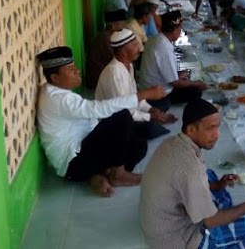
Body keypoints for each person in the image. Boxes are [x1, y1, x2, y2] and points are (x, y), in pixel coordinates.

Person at [140, 99, 245, 249]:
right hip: (175, 240)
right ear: (191, 130)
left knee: (208, 175)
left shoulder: (173, 142)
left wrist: (217, 185)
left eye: (218, 127)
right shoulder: (190, 167)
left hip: (158, 222)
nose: (217, 135)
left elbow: (187, 180)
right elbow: (209, 221)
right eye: (210, 128)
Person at [36, 46, 166, 197]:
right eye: (70, 69)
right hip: (72, 164)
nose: (77, 71)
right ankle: (116, 175)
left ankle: (98, 174)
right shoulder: (58, 99)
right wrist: (143, 94)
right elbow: (97, 109)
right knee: (122, 116)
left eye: (75, 67)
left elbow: (91, 122)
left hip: (81, 153)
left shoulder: (56, 92)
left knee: (138, 144)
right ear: (55, 78)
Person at [96, 29, 176, 139]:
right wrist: (150, 117)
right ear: (124, 51)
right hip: (113, 121)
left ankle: (154, 120)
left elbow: (134, 97)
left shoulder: (129, 66)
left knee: (163, 103)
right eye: (135, 45)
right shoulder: (114, 73)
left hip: (128, 112)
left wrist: (150, 110)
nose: (139, 48)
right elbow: (123, 111)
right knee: (147, 130)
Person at [139, 11, 207, 112]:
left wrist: (178, 74)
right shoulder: (164, 48)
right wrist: (196, 83)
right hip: (155, 92)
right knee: (195, 91)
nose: (180, 31)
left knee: (187, 80)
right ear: (174, 30)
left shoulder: (156, 39)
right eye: (179, 28)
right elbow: (175, 83)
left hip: (149, 84)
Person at [85, 9, 127, 89]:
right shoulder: (105, 38)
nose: (124, 27)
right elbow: (114, 59)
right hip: (97, 80)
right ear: (113, 25)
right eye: (122, 24)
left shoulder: (109, 36)